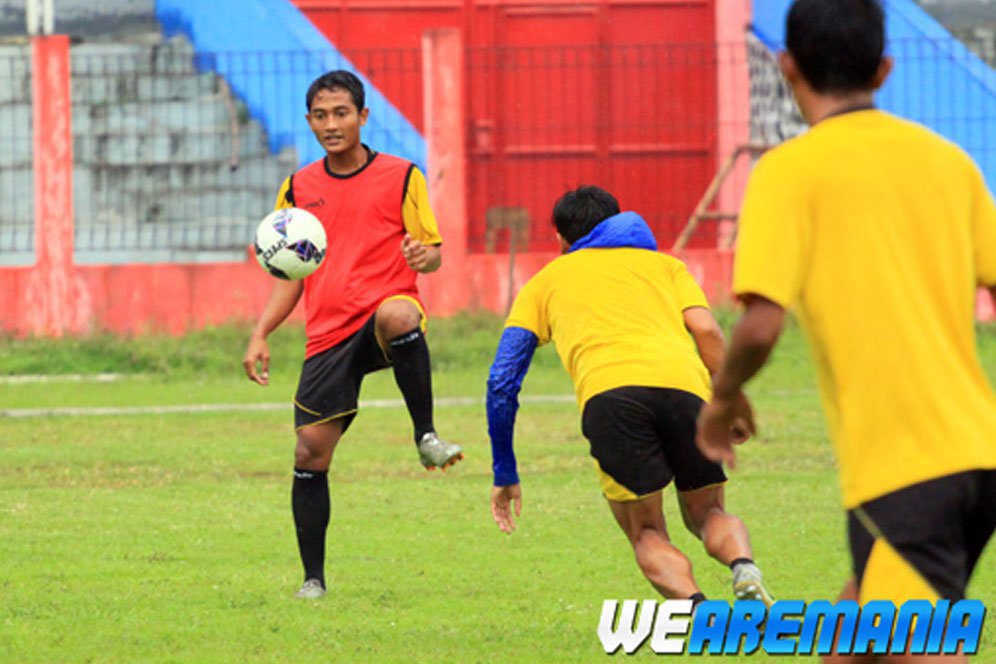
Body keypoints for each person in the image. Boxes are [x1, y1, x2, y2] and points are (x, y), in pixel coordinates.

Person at [696, 0, 996, 660]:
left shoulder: (789, 172)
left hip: (905, 469)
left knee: (916, 645)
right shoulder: (950, 164)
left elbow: (762, 323)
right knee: (856, 627)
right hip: (978, 452)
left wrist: (721, 400)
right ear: (885, 69)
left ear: (786, 64)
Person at [486, 185, 774, 608]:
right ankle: (743, 566)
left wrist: (505, 469)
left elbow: (502, 380)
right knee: (709, 513)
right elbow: (708, 331)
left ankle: (700, 608)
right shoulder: (666, 267)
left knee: (647, 533)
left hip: (611, 400)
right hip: (687, 393)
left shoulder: (544, 283)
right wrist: (728, 398)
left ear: (563, 239)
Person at [242, 70, 463, 600]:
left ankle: (426, 436)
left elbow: (432, 253)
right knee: (308, 454)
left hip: (384, 312)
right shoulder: (298, 189)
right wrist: (260, 333)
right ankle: (312, 580)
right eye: (320, 115)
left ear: (363, 117)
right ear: (309, 122)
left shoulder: (402, 175)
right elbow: (290, 275)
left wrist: (420, 257)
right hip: (328, 334)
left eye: (341, 113)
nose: (331, 124)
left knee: (399, 317)